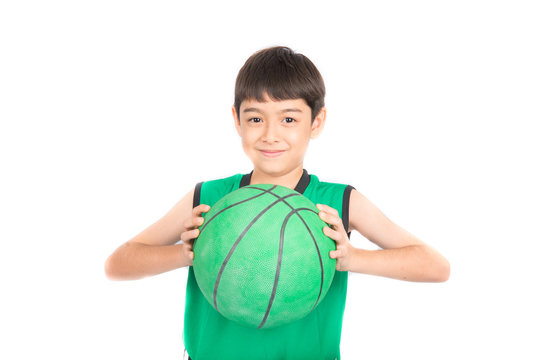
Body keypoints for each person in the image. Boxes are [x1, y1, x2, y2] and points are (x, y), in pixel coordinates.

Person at [105, 46, 450, 360]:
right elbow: (117, 264)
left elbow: (436, 267)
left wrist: (352, 258)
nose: (270, 134)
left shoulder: (338, 203)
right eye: (256, 118)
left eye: (288, 119)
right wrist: (185, 254)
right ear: (237, 120)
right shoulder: (207, 199)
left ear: (316, 122)